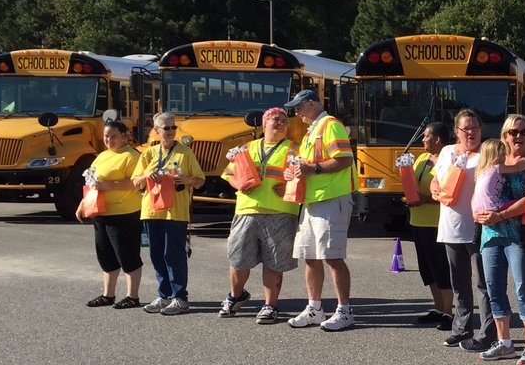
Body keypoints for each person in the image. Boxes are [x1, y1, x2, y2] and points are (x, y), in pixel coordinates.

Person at [472, 114, 525, 365]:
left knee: (523, 289)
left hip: (519, 235)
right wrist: (480, 214)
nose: (519, 137)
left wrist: (500, 215)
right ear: (505, 136)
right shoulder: (495, 160)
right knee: (494, 289)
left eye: (524, 132)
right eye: (513, 132)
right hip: (491, 234)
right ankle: (504, 343)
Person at [281, 89, 356, 332]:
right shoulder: (311, 131)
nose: (296, 112)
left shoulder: (330, 125)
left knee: (332, 256)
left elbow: (345, 159)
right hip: (313, 200)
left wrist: (313, 169)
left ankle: (344, 311)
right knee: (310, 256)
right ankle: (315, 308)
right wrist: (294, 171)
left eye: (299, 107)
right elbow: (307, 165)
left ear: (312, 104)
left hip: (331, 199)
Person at [217, 107, 299, 324]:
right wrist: (239, 185)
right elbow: (228, 174)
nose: (280, 123)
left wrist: (291, 186)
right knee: (238, 259)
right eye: (274, 119)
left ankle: (269, 306)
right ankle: (235, 297)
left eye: (283, 120)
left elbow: (303, 177)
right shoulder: (247, 147)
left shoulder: (295, 149)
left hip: (280, 212)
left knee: (274, 262)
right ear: (264, 125)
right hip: (246, 210)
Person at [131, 112, 205, 315]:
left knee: (174, 255)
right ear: (156, 131)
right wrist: (146, 175)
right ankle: (164, 296)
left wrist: (187, 179)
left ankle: (180, 297)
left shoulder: (185, 152)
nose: (171, 131)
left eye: (174, 127)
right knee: (157, 256)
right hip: (152, 211)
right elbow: (135, 181)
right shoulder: (148, 154)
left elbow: (200, 180)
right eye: (167, 128)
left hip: (176, 213)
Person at [432, 109, 493, 350]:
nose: (472, 132)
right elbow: (437, 177)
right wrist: (436, 187)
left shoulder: (485, 155)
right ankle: (462, 328)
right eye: (466, 128)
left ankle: (489, 332)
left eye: (475, 128)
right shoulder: (447, 152)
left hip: (478, 228)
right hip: (451, 227)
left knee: (484, 284)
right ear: (457, 131)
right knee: (459, 283)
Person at [76, 120, 143, 310]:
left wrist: (110, 185)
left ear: (124, 137)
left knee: (127, 254)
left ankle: (132, 296)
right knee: (105, 255)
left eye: (113, 136)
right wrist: (82, 204)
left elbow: (135, 182)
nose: (109, 139)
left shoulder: (131, 156)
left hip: (124, 213)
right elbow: (92, 182)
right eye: (106, 136)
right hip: (101, 211)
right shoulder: (102, 156)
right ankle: (108, 294)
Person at [409, 122, 453, 328]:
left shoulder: (449, 160)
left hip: (436, 223)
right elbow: (413, 183)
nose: (423, 139)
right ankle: (438, 307)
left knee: (441, 267)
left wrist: (425, 199)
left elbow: (450, 190)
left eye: (426, 136)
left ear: (438, 140)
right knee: (427, 269)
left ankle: (448, 311)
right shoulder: (422, 158)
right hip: (417, 220)